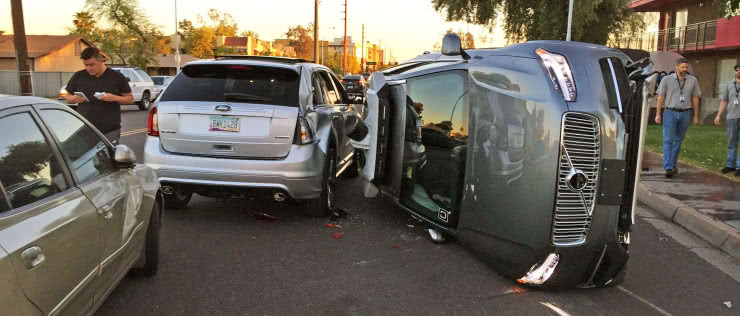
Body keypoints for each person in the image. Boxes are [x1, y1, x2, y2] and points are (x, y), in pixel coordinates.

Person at [64, 47, 133, 145]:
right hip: (84, 129)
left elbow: (130, 99)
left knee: (109, 158)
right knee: (86, 159)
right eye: (86, 65)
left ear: (101, 61)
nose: (89, 68)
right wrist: (73, 98)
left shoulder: (117, 77)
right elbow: (67, 96)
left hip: (109, 130)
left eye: (92, 65)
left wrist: (115, 98)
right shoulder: (79, 76)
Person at [654, 58, 701, 178]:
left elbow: (695, 98)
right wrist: (658, 114)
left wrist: (696, 116)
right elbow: (660, 97)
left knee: (678, 140)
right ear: (676, 67)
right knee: (668, 140)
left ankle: (673, 164)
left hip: (686, 113)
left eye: (686, 67)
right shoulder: (666, 80)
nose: (685, 69)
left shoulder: (693, 80)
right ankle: (668, 167)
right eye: (682, 67)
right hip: (670, 112)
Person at [714, 62, 740, 176]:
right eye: (737, 69)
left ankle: (739, 167)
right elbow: (724, 101)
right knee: (731, 142)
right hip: (731, 118)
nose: (739, 71)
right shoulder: (729, 84)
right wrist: (719, 114)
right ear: (735, 71)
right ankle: (730, 165)